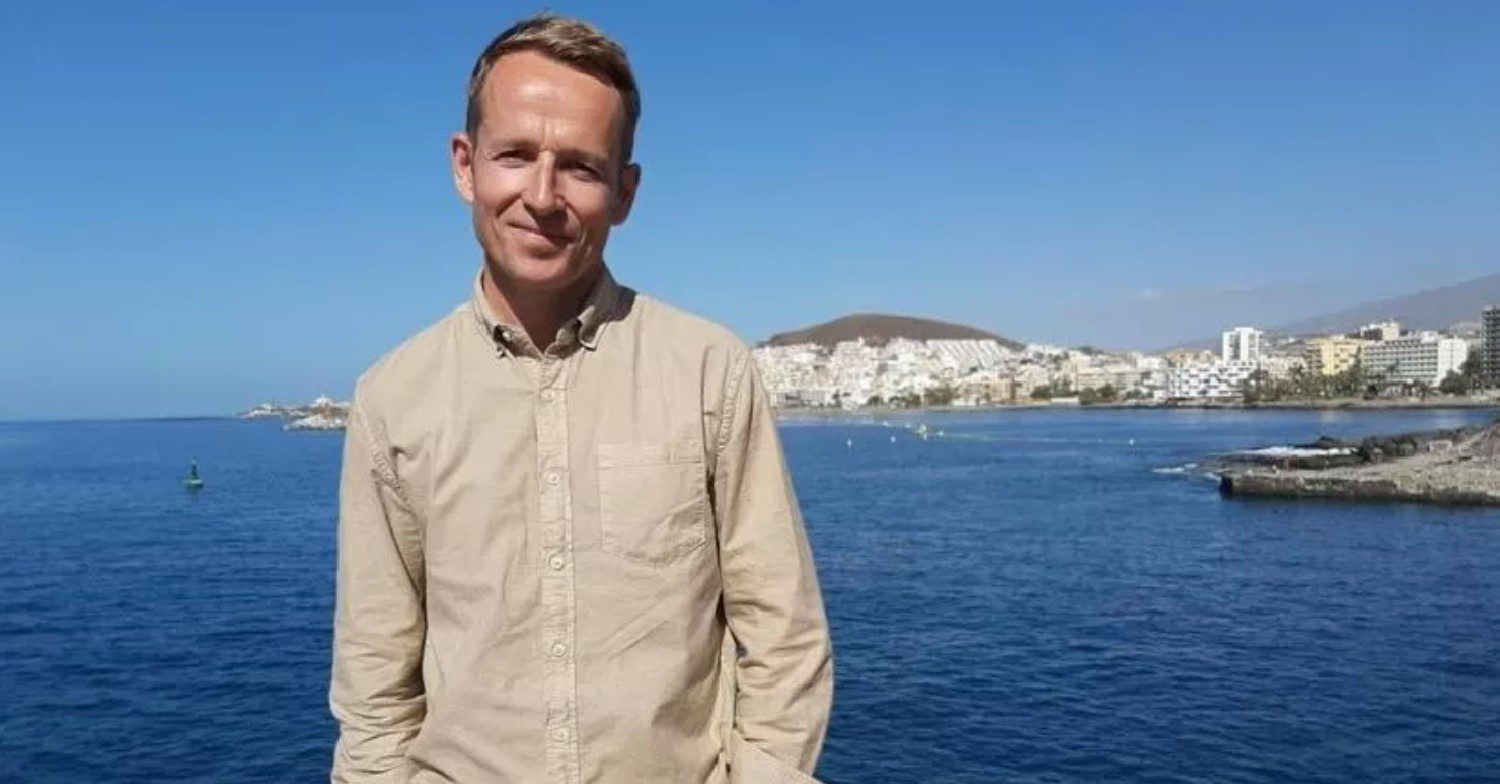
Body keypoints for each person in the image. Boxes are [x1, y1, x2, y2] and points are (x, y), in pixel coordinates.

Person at [330, 13, 833, 784]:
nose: (542, 196)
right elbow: (375, 684)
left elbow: (784, 639)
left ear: (625, 192)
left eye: (580, 167)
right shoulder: (392, 398)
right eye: (514, 155)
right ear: (464, 166)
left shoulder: (709, 372)